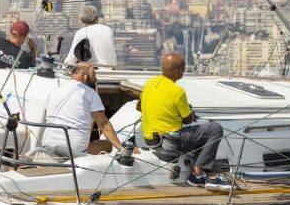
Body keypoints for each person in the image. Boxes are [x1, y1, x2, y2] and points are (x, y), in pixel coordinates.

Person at [138, 52, 232, 191]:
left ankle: (209, 174)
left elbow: (139, 106)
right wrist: (188, 111)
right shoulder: (177, 91)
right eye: (183, 69)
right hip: (171, 142)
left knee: (199, 136)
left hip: (151, 140)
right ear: (178, 71)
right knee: (215, 128)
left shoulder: (150, 83)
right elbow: (188, 120)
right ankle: (197, 174)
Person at [41, 62, 131, 159]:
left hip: (47, 144)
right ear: (84, 76)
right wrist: (122, 148)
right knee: (107, 145)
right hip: (73, 151)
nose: (96, 78)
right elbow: (103, 124)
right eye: (94, 75)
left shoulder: (56, 90)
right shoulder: (90, 93)